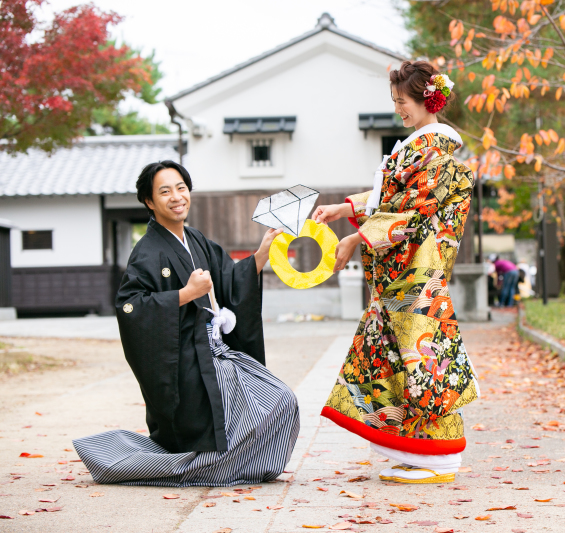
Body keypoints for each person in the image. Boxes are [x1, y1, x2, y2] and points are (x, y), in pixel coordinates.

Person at [73, 160, 299, 487]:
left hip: (215, 349)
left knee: (280, 398)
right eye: (165, 191)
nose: (176, 197)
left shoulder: (196, 239)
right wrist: (185, 294)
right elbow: (130, 306)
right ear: (150, 201)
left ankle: (237, 465)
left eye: (181, 188)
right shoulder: (147, 251)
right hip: (184, 361)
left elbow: (229, 278)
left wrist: (262, 253)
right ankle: (211, 467)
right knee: (245, 411)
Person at [312, 61, 479, 484]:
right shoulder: (420, 148)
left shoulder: (437, 153)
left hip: (417, 275)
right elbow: (390, 196)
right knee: (399, 363)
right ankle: (416, 453)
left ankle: (439, 457)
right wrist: (344, 208)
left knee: (421, 365)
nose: (398, 109)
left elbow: (411, 210)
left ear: (427, 100)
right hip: (403, 274)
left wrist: (356, 237)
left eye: (402, 101)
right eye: (395, 101)